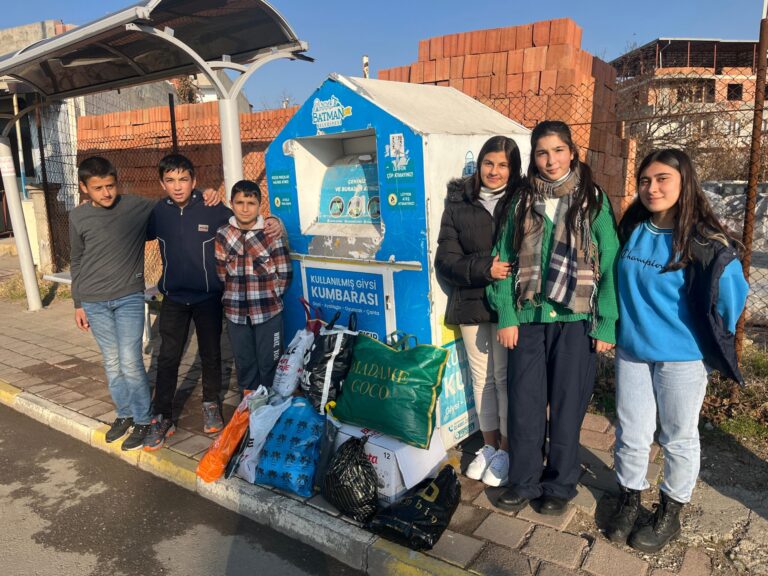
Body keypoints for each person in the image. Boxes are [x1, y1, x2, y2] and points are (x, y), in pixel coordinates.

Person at [605, 149, 748, 552]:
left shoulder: (703, 240)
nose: (653, 188)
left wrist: (705, 337)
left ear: (684, 182)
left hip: (681, 358)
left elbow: (731, 295)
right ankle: (630, 499)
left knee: (677, 436)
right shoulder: (634, 226)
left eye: (663, 178)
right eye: (645, 180)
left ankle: (671, 510)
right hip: (633, 350)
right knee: (631, 431)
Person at [487, 120, 620, 515]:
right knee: (525, 405)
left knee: (567, 406)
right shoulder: (520, 201)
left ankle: (560, 485)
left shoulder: (592, 200)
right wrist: (507, 315)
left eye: (558, 151)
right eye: (542, 153)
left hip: (575, 321)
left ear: (572, 152)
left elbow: (610, 262)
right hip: (527, 319)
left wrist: (607, 321)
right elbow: (503, 260)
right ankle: (524, 481)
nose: (550, 160)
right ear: (534, 157)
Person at [143, 154, 285, 450]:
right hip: (173, 297)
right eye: (170, 181)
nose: (178, 186)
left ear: (194, 181)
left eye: (183, 179)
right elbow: (132, 227)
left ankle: (211, 404)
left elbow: (246, 219)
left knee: (210, 354)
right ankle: (162, 415)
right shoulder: (159, 212)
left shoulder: (211, 208)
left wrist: (275, 221)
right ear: (162, 184)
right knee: (167, 356)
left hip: (208, 298)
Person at [435, 136, 522, 487]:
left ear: (513, 169)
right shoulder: (458, 203)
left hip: (509, 307)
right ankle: (487, 446)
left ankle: (506, 448)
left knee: (504, 378)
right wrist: (486, 267)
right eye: (489, 163)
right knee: (481, 378)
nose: (495, 171)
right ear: (479, 165)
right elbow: (446, 260)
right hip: (471, 302)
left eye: (503, 165)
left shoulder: (522, 201)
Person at [69, 156, 156, 451]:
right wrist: (77, 302)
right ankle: (125, 414)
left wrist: (202, 194)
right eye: (98, 188)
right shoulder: (77, 217)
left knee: (130, 360)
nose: (106, 193)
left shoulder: (135, 206)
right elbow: (77, 260)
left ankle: (144, 419)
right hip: (93, 301)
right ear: (84, 188)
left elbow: (174, 203)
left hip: (129, 296)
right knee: (112, 362)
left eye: (110, 185)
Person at [215, 180, 292, 394]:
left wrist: (272, 295)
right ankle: (249, 406)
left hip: (268, 313)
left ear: (259, 205)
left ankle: (272, 404)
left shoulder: (270, 234)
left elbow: (284, 272)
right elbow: (221, 271)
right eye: (240, 202)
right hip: (236, 313)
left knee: (270, 362)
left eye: (251, 202)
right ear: (231, 203)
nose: (245, 208)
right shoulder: (223, 234)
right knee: (244, 362)